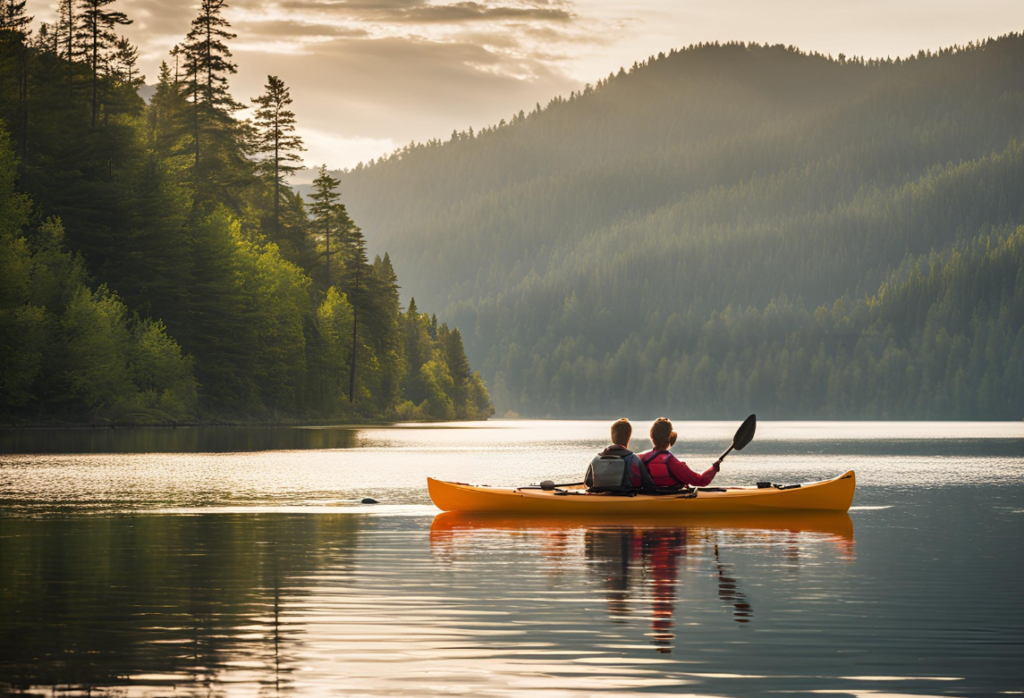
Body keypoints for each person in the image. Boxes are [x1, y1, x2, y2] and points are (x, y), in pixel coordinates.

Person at [634, 417, 720, 488]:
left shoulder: (640, 459)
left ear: (652, 436)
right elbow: (701, 481)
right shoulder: (674, 463)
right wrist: (714, 468)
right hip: (669, 499)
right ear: (669, 437)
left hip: (648, 498)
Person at [586, 418, 644, 492]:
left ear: (612, 437)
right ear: (628, 437)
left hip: (601, 497)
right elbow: (647, 483)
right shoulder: (634, 458)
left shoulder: (596, 458)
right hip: (626, 497)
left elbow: (588, 482)